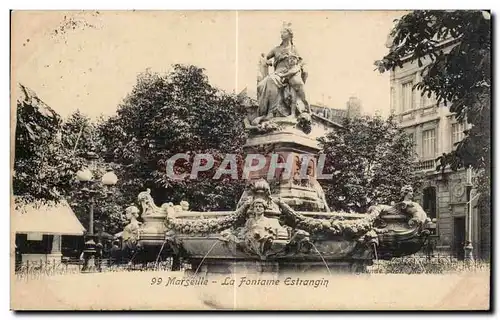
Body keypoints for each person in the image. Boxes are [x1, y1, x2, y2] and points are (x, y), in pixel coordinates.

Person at [257, 22, 311, 120]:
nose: (281, 34)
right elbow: (265, 58)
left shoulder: (294, 49)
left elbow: (301, 62)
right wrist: (266, 61)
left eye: (283, 32)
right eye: (281, 32)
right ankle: (265, 112)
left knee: (271, 80)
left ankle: (271, 112)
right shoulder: (276, 49)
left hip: (289, 74)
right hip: (278, 73)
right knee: (261, 85)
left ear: (290, 34)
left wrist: (300, 69)